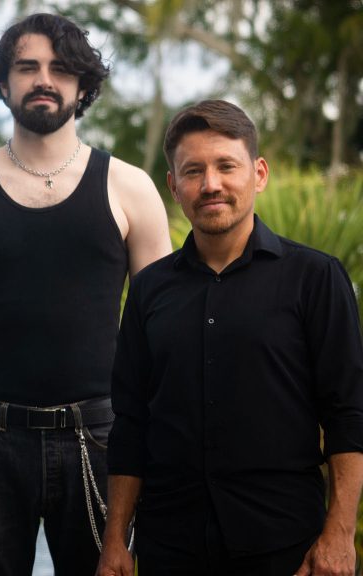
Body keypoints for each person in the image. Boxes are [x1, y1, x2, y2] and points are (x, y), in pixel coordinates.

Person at [0, 13, 172, 575]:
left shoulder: (130, 188)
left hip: (100, 438)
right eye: (28, 67)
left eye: (61, 69)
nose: (44, 79)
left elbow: (163, 331)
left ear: (83, 86)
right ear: (3, 82)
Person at [97, 99, 363, 575]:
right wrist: (116, 539)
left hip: (285, 548)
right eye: (193, 171)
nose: (211, 184)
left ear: (258, 174)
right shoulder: (149, 290)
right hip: (170, 548)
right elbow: (131, 422)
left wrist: (340, 535)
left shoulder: (315, 278)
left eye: (226, 166)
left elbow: (348, 413)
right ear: (173, 186)